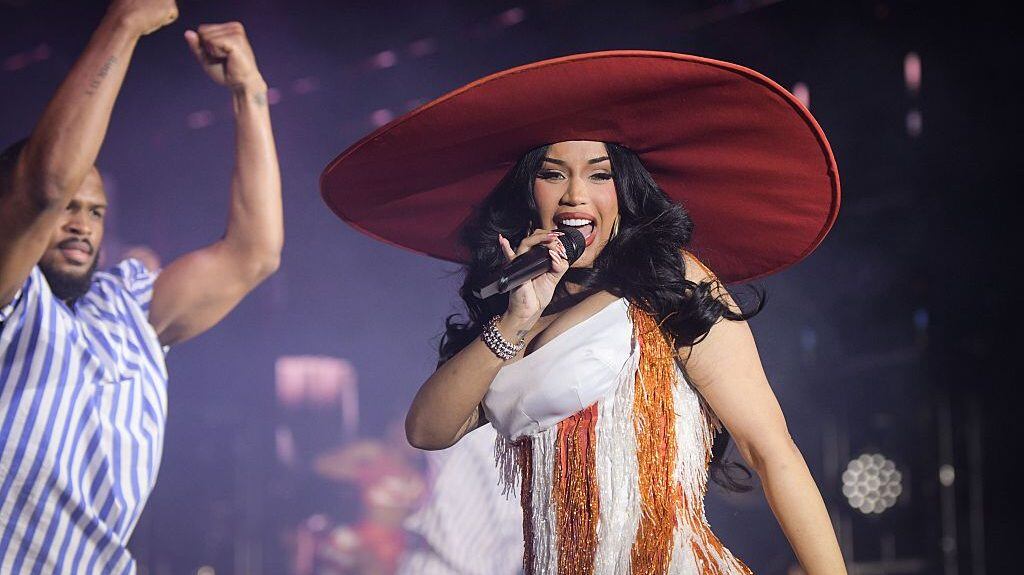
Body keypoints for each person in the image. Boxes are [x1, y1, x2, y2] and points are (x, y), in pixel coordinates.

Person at [321, 52, 845, 573]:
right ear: (530, 192)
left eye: (600, 176)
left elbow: (770, 451)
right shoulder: (516, 319)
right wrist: (515, 319)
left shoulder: (669, 284)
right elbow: (427, 430)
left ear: (624, 192)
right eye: (553, 175)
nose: (576, 196)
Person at [0, 0, 282, 572]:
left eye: (96, 212)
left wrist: (248, 91)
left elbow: (254, 254)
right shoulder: (12, 295)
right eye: (69, 209)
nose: (81, 223)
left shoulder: (125, 305)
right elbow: (45, 185)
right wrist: (123, 23)